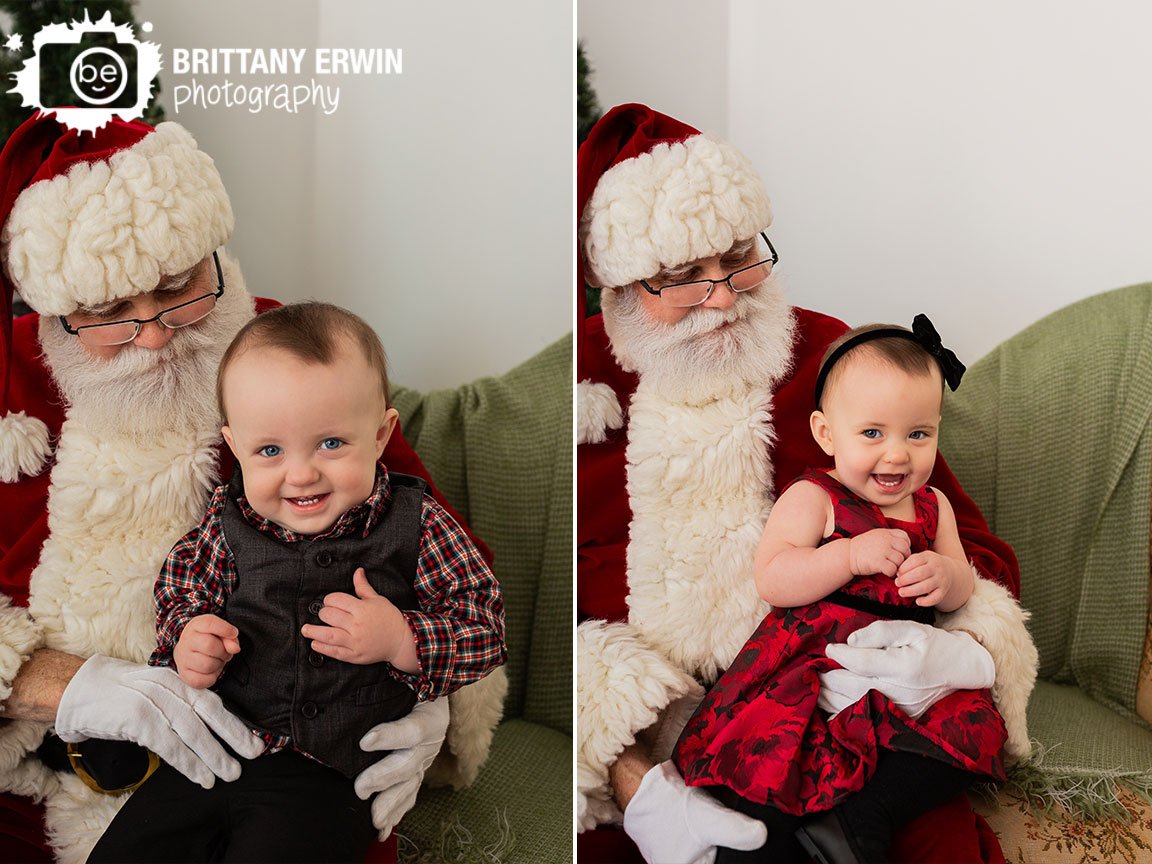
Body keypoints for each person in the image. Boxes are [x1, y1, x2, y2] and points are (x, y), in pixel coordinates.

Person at [0, 114, 506, 863]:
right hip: (32, 787)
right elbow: (186, 586)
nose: (157, 334)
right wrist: (57, 683)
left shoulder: (287, 361)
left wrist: (427, 685)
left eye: (179, 288)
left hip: (298, 765)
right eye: (109, 313)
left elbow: (440, 563)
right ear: (51, 311)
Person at [575, 103, 1039, 864]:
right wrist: (632, 779)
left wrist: (958, 650)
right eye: (684, 278)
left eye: (738, 257)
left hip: (849, 693)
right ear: (621, 289)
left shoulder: (835, 361)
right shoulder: (581, 387)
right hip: (665, 723)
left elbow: (970, 545)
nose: (724, 296)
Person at [86, 301, 507, 862]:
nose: (302, 472)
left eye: (331, 443)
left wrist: (405, 640)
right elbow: (181, 585)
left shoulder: (417, 521)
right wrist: (189, 636)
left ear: (382, 434)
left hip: (329, 774)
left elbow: (485, 624)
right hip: (214, 750)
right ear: (235, 448)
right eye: (270, 450)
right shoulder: (226, 520)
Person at [674, 319, 1007, 862]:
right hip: (817, 661)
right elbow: (774, 576)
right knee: (782, 760)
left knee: (974, 741)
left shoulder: (934, 507)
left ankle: (862, 816)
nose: (897, 455)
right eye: (872, 433)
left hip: (904, 671)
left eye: (917, 434)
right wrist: (847, 555)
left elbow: (962, 583)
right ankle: (784, 836)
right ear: (827, 434)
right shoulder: (815, 496)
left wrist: (947, 579)